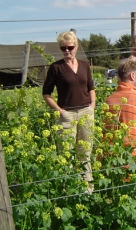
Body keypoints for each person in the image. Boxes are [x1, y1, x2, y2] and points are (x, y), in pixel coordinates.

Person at [42, 31, 95, 184]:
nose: (67, 51)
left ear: (76, 47)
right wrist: (60, 111)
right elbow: (46, 93)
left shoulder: (85, 65)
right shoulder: (56, 68)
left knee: (85, 153)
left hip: (86, 111)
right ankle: (69, 188)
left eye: (70, 47)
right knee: (66, 155)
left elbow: (91, 87)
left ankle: (87, 187)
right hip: (66, 115)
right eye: (63, 48)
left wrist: (92, 105)